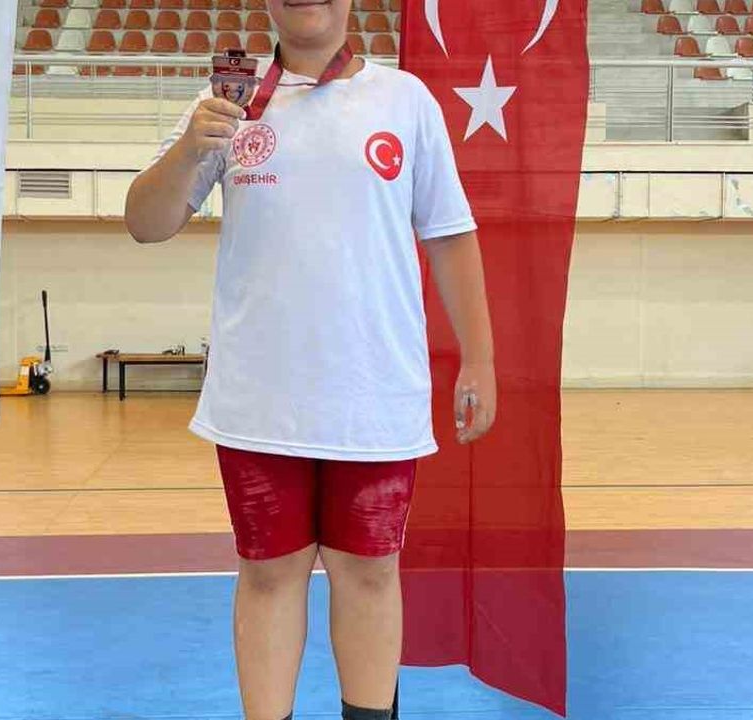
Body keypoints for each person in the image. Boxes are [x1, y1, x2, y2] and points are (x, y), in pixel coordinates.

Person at [124, 1, 495, 718]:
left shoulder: (405, 100)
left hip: (375, 394)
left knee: (370, 573)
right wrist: (190, 148)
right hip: (259, 400)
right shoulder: (226, 104)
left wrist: (478, 357)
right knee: (268, 574)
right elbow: (146, 222)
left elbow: (449, 234)